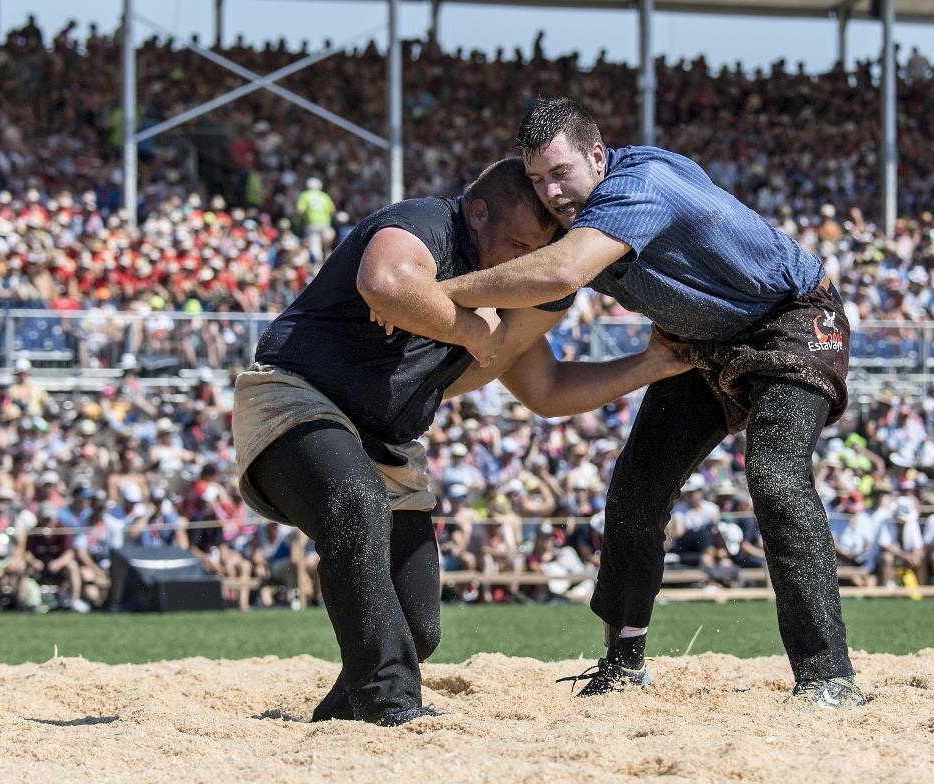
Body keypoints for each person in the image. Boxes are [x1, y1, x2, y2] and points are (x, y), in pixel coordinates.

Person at [233, 157, 689, 727]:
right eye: (518, 241)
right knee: (353, 503)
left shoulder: (518, 290)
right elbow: (385, 283)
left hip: (388, 444)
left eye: (537, 251)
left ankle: (340, 724)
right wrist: (476, 328)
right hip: (295, 399)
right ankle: (393, 705)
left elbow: (545, 391)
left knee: (416, 627)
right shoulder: (425, 220)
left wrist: (649, 364)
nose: (522, 261)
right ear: (477, 214)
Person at [439, 98, 865, 707]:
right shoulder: (575, 218)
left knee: (775, 477)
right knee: (637, 487)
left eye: (560, 173)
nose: (551, 193)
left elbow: (560, 275)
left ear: (597, 154)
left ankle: (828, 676)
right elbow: (521, 357)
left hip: (791, 322)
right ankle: (623, 661)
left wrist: (430, 293)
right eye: (536, 180)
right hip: (697, 340)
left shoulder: (641, 186)